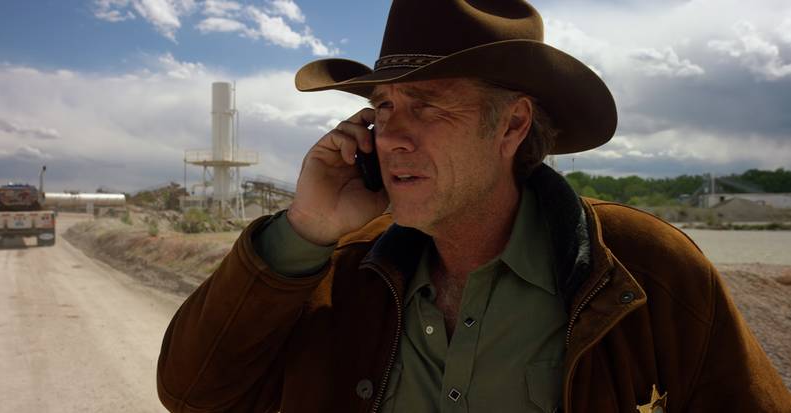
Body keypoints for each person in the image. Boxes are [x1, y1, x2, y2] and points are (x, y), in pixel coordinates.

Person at [156, 1, 791, 412]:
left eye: (427, 104)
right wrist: (305, 230)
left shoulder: (640, 269)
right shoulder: (340, 271)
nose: (392, 134)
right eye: (382, 106)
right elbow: (192, 395)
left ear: (512, 126)